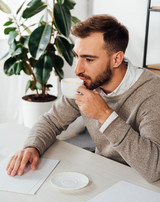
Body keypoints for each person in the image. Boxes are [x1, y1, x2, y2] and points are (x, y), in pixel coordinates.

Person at [6, 14, 160, 182]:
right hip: (102, 174)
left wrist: (105, 115)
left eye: (89, 59)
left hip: (141, 183)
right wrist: (32, 147)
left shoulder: (152, 92)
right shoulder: (87, 83)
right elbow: (52, 121)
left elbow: (154, 169)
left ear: (116, 59)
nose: (78, 69)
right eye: (77, 56)